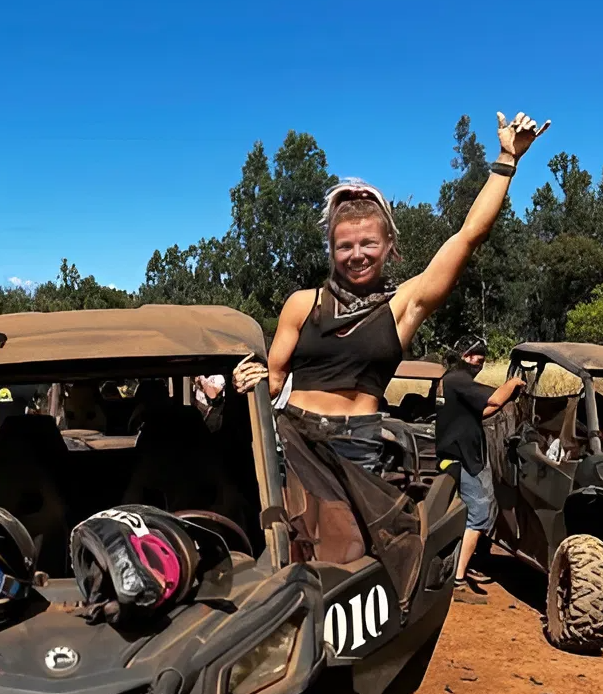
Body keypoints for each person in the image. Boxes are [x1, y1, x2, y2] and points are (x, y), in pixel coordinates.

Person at [233, 111, 549, 472]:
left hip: (359, 449)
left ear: (388, 247)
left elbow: (468, 236)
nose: (356, 256)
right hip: (296, 442)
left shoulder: (402, 306)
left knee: (362, 530)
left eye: (368, 243)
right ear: (332, 250)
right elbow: (271, 384)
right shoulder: (303, 305)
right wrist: (243, 382)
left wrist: (507, 160)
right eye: (344, 246)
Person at [437, 337, 523, 589]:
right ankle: (459, 577)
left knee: (473, 512)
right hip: (463, 457)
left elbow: (484, 410)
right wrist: (512, 383)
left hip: (460, 455)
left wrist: (506, 397)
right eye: (477, 358)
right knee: (479, 513)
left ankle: (461, 564)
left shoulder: (451, 381)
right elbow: (494, 400)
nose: (480, 363)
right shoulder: (459, 380)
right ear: (465, 356)